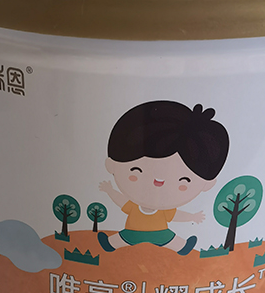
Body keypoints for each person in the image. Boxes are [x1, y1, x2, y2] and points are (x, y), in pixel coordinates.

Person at [98, 100, 229, 255]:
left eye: (183, 181)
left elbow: (176, 215)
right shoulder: (135, 206)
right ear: (112, 165)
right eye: (136, 171)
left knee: (168, 239)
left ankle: (183, 247)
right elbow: (121, 201)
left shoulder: (161, 210)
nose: (157, 183)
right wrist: (110, 191)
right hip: (134, 232)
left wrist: (192, 217)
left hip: (158, 233)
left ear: (207, 184)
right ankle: (110, 243)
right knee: (125, 237)